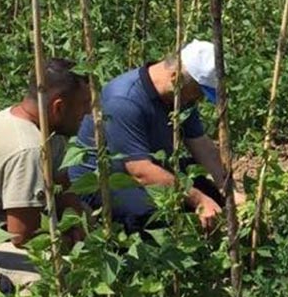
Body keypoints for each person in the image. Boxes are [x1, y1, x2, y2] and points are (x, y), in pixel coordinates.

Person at [0, 59, 92, 295]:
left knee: (88, 218)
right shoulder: (27, 148)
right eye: (83, 105)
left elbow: (64, 188)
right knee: (56, 277)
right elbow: (22, 235)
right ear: (58, 107)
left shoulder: (47, 130)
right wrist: (69, 241)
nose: (89, 112)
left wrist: (76, 223)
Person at [69, 39, 241, 235]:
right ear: (175, 78)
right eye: (200, 92)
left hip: (146, 171)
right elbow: (140, 171)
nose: (200, 100)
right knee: (155, 218)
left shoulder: (181, 99)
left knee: (212, 196)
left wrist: (230, 192)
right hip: (105, 183)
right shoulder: (124, 100)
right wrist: (198, 200)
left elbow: (202, 146)